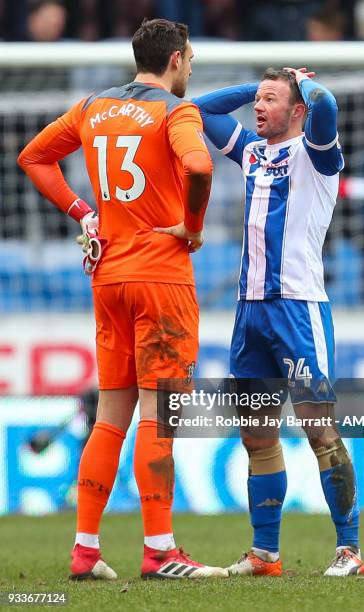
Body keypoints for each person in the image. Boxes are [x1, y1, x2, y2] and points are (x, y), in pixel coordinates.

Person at [18, 18, 228, 580]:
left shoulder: (92, 107)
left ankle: (85, 552)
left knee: (111, 416)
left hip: (108, 275)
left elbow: (33, 157)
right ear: (178, 59)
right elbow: (200, 165)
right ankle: (160, 552)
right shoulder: (175, 112)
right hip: (160, 276)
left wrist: (82, 212)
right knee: (159, 417)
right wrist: (192, 225)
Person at [192, 68, 364, 577]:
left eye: (272, 100)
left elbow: (327, 103)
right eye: (257, 100)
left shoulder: (317, 156)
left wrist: (300, 83)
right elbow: (201, 111)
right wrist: (258, 87)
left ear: (298, 112)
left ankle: (348, 550)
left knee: (319, 428)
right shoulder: (251, 152)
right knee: (257, 436)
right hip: (250, 312)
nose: (259, 107)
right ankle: (266, 553)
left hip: (298, 308)